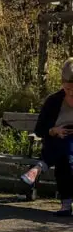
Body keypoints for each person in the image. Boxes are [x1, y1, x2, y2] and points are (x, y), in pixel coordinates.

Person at [21, 58, 73, 216]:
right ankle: (66, 205)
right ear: (62, 83)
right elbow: (39, 129)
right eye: (68, 89)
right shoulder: (53, 101)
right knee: (65, 155)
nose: (71, 93)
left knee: (67, 152)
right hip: (56, 139)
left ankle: (40, 167)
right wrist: (53, 130)